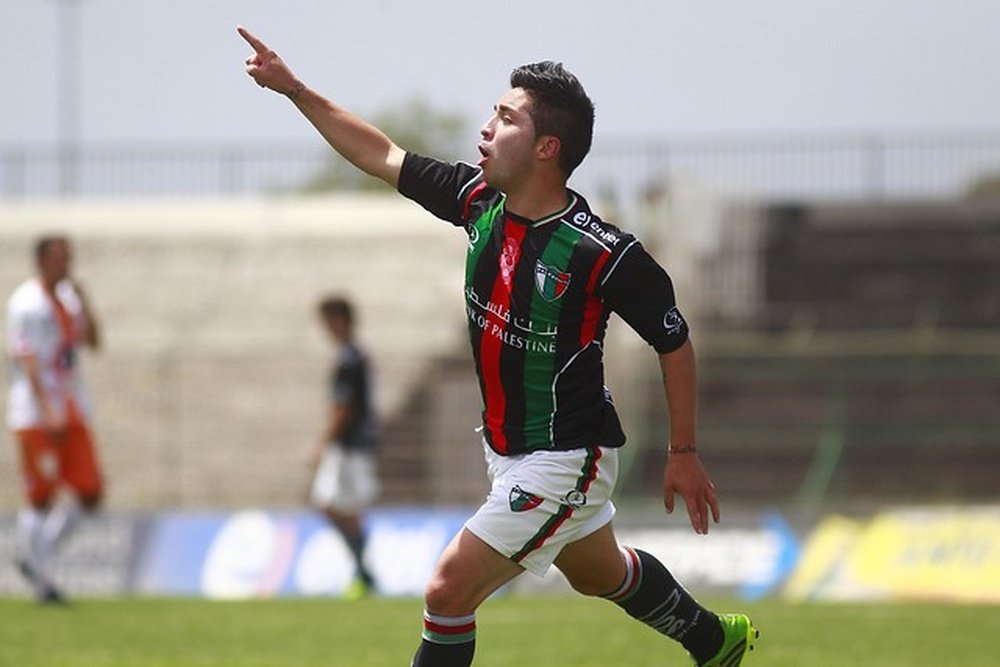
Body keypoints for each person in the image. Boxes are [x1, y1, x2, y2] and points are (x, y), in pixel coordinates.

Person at [238, 26, 758, 666]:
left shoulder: (603, 253)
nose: (486, 127)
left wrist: (683, 451)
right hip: (507, 450)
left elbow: (673, 343)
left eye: (505, 117)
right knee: (601, 575)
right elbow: (381, 154)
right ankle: (715, 640)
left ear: (547, 147)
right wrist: (294, 90)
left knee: (447, 590)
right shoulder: (476, 200)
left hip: (568, 455)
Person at [5, 235, 104, 604]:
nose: (68, 264)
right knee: (41, 497)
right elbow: (25, 357)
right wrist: (46, 409)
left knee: (91, 493)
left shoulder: (70, 299)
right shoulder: (25, 303)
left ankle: (34, 554)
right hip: (36, 413)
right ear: (41, 261)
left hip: (74, 407)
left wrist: (86, 301)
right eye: (61, 257)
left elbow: (94, 342)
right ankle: (44, 581)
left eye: (69, 257)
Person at [308, 295, 379, 598]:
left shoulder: (350, 359)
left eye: (327, 321)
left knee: (334, 506)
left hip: (350, 447)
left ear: (340, 319)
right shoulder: (356, 355)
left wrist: (322, 445)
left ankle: (364, 573)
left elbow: (344, 407)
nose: (325, 328)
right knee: (337, 506)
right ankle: (363, 572)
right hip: (354, 445)